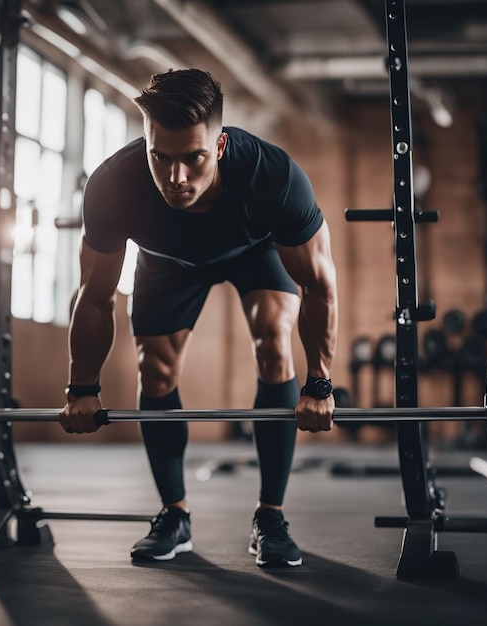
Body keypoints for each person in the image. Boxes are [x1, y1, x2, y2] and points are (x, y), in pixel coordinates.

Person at [60, 69, 338, 568]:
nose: (176, 178)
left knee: (274, 342)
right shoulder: (113, 184)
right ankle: (174, 514)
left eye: (194, 158)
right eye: (159, 158)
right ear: (145, 143)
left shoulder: (273, 178)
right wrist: (82, 386)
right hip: (167, 262)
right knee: (155, 369)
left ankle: (270, 516)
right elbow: (96, 294)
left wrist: (319, 383)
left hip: (256, 250)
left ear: (221, 144)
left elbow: (319, 284)